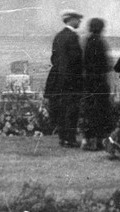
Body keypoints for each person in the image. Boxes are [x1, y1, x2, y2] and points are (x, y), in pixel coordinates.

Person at [44, 9, 84, 148]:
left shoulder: (59, 36)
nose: (79, 21)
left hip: (58, 79)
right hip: (71, 80)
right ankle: (70, 139)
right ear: (71, 19)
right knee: (72, 110)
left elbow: (54, 58)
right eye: (77, 19)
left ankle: (63, 138)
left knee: (62, 110)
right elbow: (75, 60)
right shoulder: (72, 37)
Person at [80, 17, 113, 150]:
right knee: (101, 111)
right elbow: (105, 64)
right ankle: (98, 141)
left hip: (88, 81)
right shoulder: (100, 42)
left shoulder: (86, 42)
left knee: (90, 111)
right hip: (99, 81)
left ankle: (87, 139)